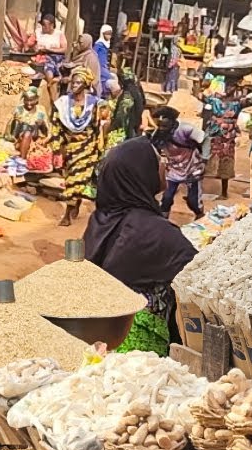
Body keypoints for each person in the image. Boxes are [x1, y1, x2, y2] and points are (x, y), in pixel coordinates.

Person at [84, 136, 197, 345]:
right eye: (157, 160)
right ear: (141, 173)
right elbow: (198, 272)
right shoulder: (152, 231)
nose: (164, 163)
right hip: (138, 348)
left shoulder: (101, 219)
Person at [50, 67, 109, 227]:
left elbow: (100, 126)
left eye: (78, 82)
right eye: (73, 82)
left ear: (86, 85)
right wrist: (56, 147)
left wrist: (100, 147)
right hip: (70, 147)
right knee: (72, 179)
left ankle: (67, 214)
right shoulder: (63, 103)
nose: (74, 85)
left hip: (88, 148)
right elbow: (56, 126)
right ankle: (75, 203)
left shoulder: (95, 104)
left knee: (77, 180)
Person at [153, 106, 206, 219]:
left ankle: (200, 216)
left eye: (165, 126)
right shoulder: (157, 134)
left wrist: (205, 158)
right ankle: (163, 221)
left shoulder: (186, 129)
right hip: (174, 168)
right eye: (160, 126)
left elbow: (205, 140)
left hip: (192, 167)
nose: (162, 129)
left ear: (172, 123)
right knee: (166, 198)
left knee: (193, 201)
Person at [203, 78, 252, 197]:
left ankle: (224, 192)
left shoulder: (237, 103)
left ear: (236, 89)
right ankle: (204, 190)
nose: (229, 89)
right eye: (228, 86)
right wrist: (203, 84)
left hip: (228, 137)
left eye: (232, 87)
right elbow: (201, 97)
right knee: (209, 158)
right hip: (215, 133)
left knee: (226, 161)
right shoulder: (215, 100)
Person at [6, 87, 49, 159]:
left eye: (31, 100)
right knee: (27, 134)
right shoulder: (19, 110)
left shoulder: (41, 110)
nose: (29, 103)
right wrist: (17, 124)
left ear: (36, 100)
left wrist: (42, 124)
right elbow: (11, 131)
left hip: (37, 142)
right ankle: (22, 159)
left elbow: (47, 132)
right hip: (20, 141)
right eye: (26, 100)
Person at [32, 14, 67, 98]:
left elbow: (64, 49)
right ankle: (52, 93)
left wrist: (51, 50)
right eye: (42, 24)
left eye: (45, 25)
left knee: (60, 71)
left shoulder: (59, 34)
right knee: (48, 72)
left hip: (56, 57)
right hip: (42, 57)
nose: (43, 27)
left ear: (51, 25)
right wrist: (36, 48)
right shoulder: (38, 32)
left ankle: (55, 86)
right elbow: (31, 45)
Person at [94, 24, 115, 95]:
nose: (109, 36)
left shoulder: (106, 44)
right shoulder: (99, 44)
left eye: (110, 34)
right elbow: (94, 54)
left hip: (104, 65)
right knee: (107, 78)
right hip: (99, 66)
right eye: (107, 34)